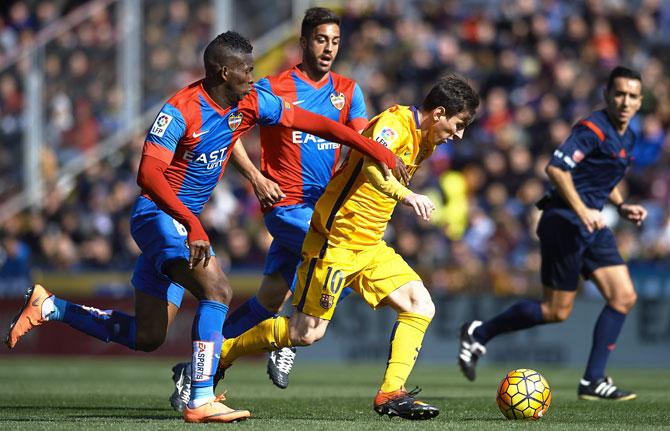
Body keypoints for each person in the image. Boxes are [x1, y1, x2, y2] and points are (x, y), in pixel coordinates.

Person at [4, 31, 404, 423]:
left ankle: (51, 306)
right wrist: (192, 223)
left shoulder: (250, 102)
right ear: (222, 71)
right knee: (218, 290)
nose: (253, 76)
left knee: (148, 336)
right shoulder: (180, 110)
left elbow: (318, 124)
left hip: (182, 224)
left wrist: (375, 149)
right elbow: (148, 174)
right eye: (246, 70)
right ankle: (201, 396)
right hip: (157, 218)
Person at [203, 75, 479, 420]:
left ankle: (391, 393)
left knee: (420, 304)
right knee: (306, 333)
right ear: (439, 112)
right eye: (458, 124)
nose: (459, 134)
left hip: (370, 245)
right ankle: (220, 356)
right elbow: (371, 166)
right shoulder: (393, 124)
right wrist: (407, 196)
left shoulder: (427, 140)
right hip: (336, 242)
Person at [167, 9, 370, 410]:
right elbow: (230, 130)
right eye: (320, 40)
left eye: (334, 40)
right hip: (286, 206)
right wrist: (256, 178)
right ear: (303, 41)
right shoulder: (273, 86)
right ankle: (288, 335)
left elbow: (358, 140)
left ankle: (198, 369)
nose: (328, 48)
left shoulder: (349, 90)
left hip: (323, 209)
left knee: (266, 300)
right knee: (343, 257)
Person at [458, 66, 646, 401]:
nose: (625, 101)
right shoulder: (592, 129)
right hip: (564, 221)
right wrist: (582, 209)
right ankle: (480, 333)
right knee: (556, 311)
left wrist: (621, 205)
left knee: (624, 296)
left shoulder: (628, 135)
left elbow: (606, 177)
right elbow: (556, 169)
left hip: (593, 223)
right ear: (607, 95)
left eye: (632, 95)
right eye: (619, 93)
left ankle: (592, 380)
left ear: (640, 100)